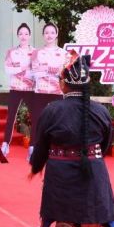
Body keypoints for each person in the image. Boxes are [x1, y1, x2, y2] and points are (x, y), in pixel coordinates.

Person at [30, 54, 114, 227]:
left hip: (60, 172)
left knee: (63, 222)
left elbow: (41, 145)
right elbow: (106, 144)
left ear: (64, 84)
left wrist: (35, 167)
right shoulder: (100, 111)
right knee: (92, 226)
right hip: (94, 171)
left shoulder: (52, 110)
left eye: (59, 80)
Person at [28, 23, 70, 160]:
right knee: (38, 121)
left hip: (57, 92)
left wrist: (55, 71)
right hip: (40, 91)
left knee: (59, 121)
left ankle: (58, 149)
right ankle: (34, 150)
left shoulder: (64, 54)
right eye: (46, 32)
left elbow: (67, 73)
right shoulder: (36, 53)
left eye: (52, 32)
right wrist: (49, 70)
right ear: (43, 35)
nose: (49, 35)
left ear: (56, 34)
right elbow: (32, 72)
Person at [1, 23, 35, 156]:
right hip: (15, 87)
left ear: (30, 36)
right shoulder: (11, 52)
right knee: (11, 116)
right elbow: (8, 70)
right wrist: (22, 68)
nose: (23, 36)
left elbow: (35, 71)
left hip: (30, 88)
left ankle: (33, 145)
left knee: (34, 117)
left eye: (26, 34)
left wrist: (19, 69)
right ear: (17, 36)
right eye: (21, 34)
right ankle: (5, 144)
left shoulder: (35, 52)